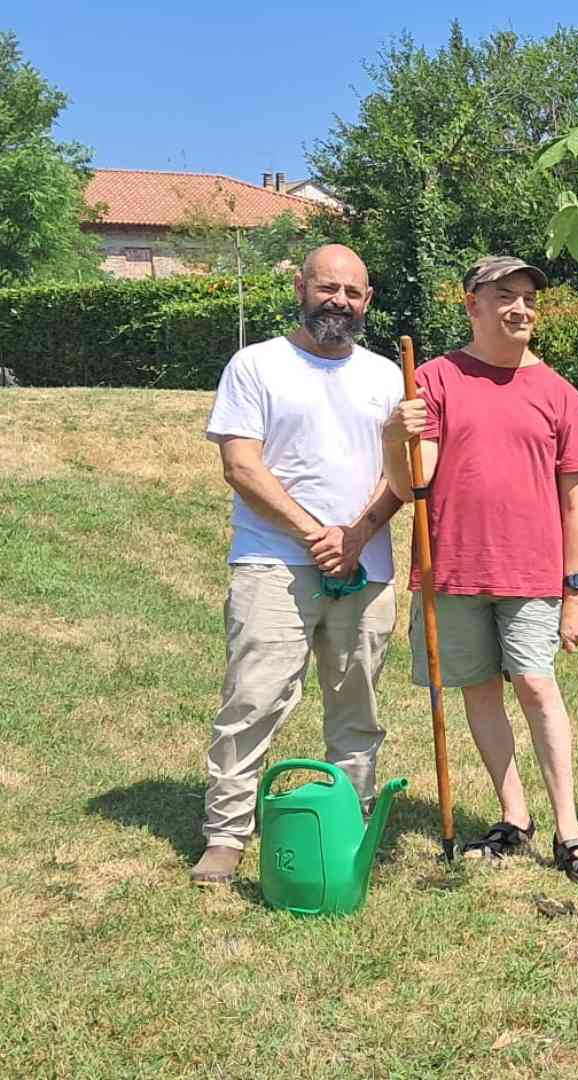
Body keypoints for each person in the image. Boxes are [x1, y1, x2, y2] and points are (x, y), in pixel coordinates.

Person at [382, 255, 578, 883]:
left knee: (536, 686)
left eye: (529, 299)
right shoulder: (434, 380)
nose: (521, 309)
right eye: (505, 296)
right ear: (471, 304)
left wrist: (577, 592)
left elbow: (575, 501)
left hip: (532, 573)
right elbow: (411, 483)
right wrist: (391, 437)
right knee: (479, 691)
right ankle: (515, 817)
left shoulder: (559, 393)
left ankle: (570, 830)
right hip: (452, 568)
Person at [192, 244, 405, 886]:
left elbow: (403, 473)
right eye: (327, 287)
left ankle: (352, 816)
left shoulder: (388, 377)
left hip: (367, 566)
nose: (339, 301)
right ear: (299, 287)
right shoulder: (256, 365)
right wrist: (318, 534)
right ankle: (226, 834)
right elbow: (241, 466)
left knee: (357, 703)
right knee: (255, 697)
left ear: (367, 301)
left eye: (353, 292)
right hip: (271, 562)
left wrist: (358, 532)